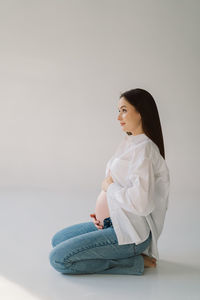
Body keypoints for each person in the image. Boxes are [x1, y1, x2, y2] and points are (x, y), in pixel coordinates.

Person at [49, 88, 170, 275]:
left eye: (124, 110)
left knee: (59, 259)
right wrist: (106, 214)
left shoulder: (144, 150)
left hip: (130, 235)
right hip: (113, 223)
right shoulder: (130, 142)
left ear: (140, 113)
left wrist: (109, 188)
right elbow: (124, 188)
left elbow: (142, 204)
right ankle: (115, 249)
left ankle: (132, 262)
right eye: (119, 110)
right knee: (59, 239)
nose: (118, 117)